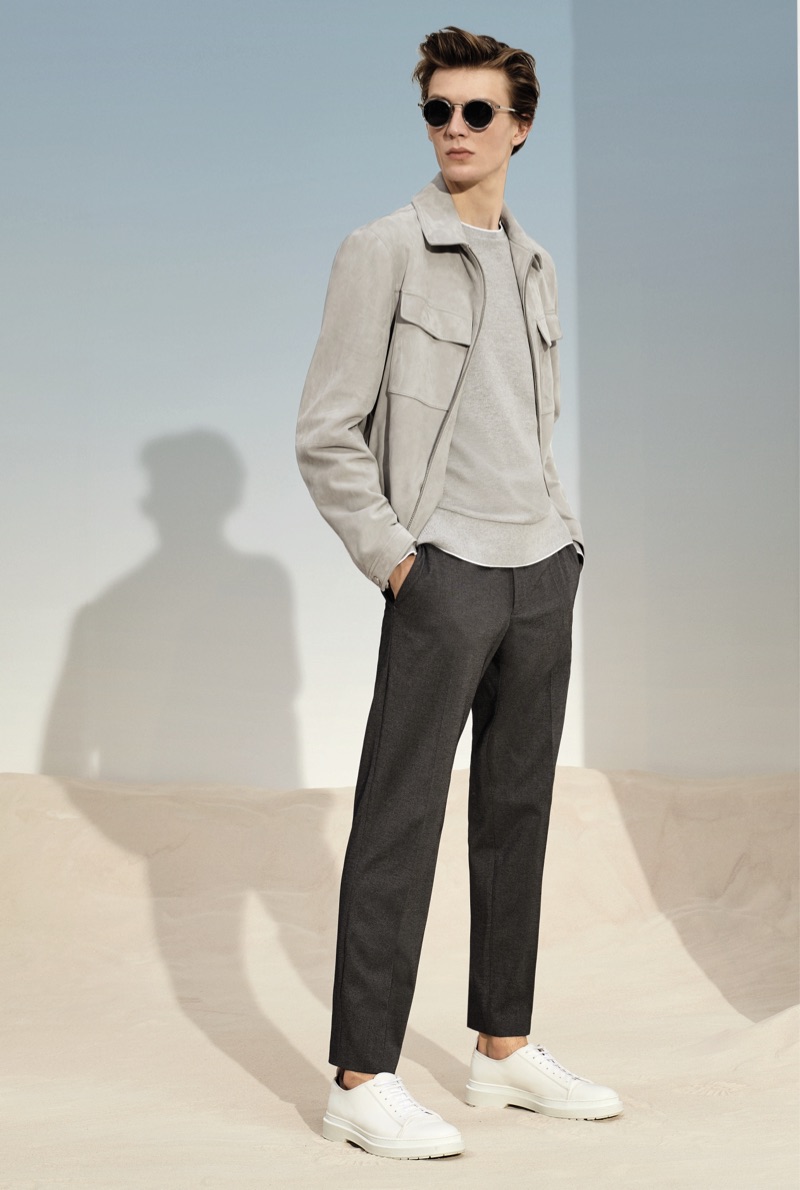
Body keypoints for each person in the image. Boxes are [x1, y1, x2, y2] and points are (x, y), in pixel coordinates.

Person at [296, 25, 622, 1160]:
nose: (454, 129)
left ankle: (502, 1046)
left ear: (518, 128)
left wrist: (563, 538)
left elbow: (529, 423)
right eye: (438, 110)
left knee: (517, 813)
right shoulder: (382, 249)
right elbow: (326, 432)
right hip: (444, 573)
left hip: (540, 569)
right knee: (400, 815)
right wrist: (397, 558)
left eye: (477, 111)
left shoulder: (534, 264)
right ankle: (360, 1076)